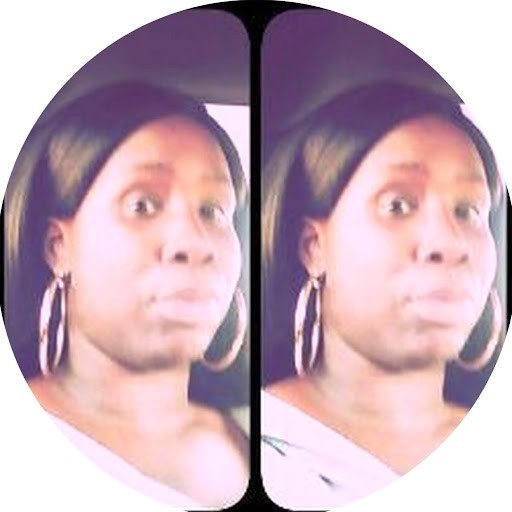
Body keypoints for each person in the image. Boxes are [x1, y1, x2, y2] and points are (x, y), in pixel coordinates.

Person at [4, 81, 250, 509]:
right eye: (142, 205)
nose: (196, 243)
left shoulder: (270, 436)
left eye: (212, 211)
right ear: (58, 247)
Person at [261, 81, 506, 510]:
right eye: (397, 206)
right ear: (313, 247)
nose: (451, 243)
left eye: (468, 211)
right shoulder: (250, 448)